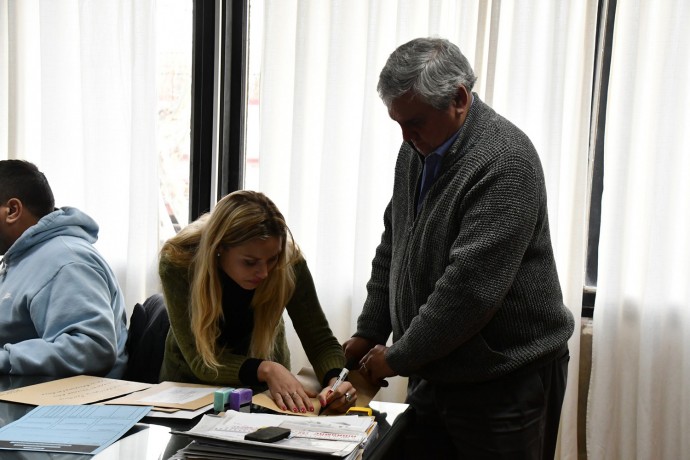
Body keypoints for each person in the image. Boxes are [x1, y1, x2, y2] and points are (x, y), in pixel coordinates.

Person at [343, 37, 575, 459]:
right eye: (397, 123)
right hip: (437, 368)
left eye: (414, 122)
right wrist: (369, 331)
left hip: (505, 381)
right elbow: (394, 246)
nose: (406, 136)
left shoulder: (506, 160)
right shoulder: (416, 148)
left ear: (460, 99)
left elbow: (469, 292)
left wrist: (396, 357)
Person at [158, 190, 355, 414]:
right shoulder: (179, 262)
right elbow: (200, 360)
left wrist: (335, 380)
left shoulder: (288, 263)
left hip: (264, 390)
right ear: (219, 248)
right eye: (250, 262)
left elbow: (319, 339)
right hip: (190, 389)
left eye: (272, 259)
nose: (263, 272)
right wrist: (266, 369)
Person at [0, 160, 128, 378]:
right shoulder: (23, 258)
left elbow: (91, 348)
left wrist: (5, 359)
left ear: (13, 210)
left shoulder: (66, 261)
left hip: (69, 407)